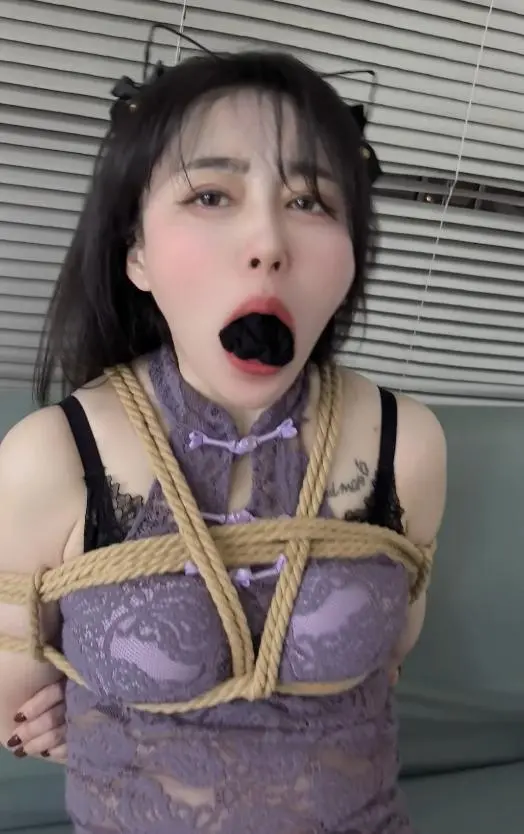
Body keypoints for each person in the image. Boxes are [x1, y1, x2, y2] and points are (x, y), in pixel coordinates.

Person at [0, 49, 446, 834]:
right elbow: (15, 705)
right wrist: (79, 708)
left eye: (310, 201)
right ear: (136, 252)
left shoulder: (406, 445)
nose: (268, 241)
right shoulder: (53, 458)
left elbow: (394, 652)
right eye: (211, 194)